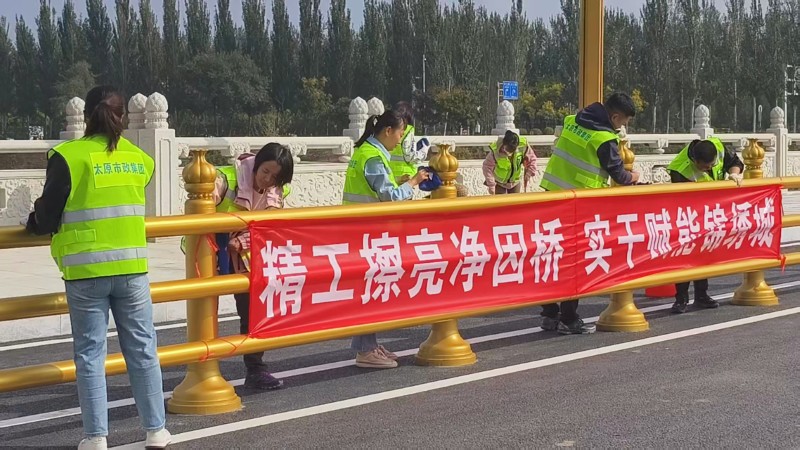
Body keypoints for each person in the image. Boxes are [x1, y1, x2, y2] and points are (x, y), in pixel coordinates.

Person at [25, 86, 171, 450]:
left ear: (86, 115)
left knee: (90, 355)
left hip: (86, 272)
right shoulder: (139, 159)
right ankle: (156, 431)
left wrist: (34, 221)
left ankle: (96, 438)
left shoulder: (69, 156)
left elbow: (47, 216)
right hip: (132, 270)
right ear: (123, 117)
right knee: (143, 349)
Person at [538, 92, 639, 335]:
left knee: (552, 256)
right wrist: (634, 176)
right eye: (623, 122)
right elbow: (619, 175)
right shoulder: (604, 139)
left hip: (551, 196)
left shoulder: (572, 120)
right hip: (579, 205)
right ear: (614, 116)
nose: (622, 127)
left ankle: (549, 314)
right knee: (575, 262)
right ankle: (569, 318)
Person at [342, 110, 430, 368]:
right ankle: (365, 350)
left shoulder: (367, 151)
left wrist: (401, 181)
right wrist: (413, 183)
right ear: (388, 131)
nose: (401, 139)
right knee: (369, 289)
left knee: (370, 287)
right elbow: (388, 196)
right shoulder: (373, 156)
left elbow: (377, 187)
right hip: (367, 232)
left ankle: (369, 345)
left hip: (361, 230)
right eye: (400, 133)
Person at [214, 143, 294, 389]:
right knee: (205, 312)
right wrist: (226, 239)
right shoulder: (225, 179)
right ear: (257, 164)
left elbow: (269, 227)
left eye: (275, 177)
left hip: (245, 254)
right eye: (265, 171)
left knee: (253, 311)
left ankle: (256, 369)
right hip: (211, 250)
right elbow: (197, 214)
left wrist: (243, 241)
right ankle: (204, 368)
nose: (267, 180)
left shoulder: (278, 192)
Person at [666, 137, 744, 313]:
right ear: (695, 160)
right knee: (686, 255)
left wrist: (734, 174)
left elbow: (734, 162)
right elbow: (681, 200)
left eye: (711, 165)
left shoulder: (717, 146)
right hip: (688, 214)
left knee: (704, 253)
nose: (708, 169)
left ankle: (701, 295)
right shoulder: (680, 169)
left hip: (710, 211)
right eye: (704, 167)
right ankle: (681, 298)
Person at [387, 101, 430, 184]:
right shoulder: (407, 130)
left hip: (390, 175)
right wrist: (424, 150)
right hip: (405, 176)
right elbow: (410, 156)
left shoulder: (388, 129)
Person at [482, 129, 537, 194]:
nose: (507, 153)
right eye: (505, 149)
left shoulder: (523, 146)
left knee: (515, 200)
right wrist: (491, 185)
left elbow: (532, 159)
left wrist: (529, 173)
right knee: (501, 200)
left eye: (510, 151)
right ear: (503, 144)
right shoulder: (495, 150)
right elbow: (487, 167)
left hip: (515, 182)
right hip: (499, 183)